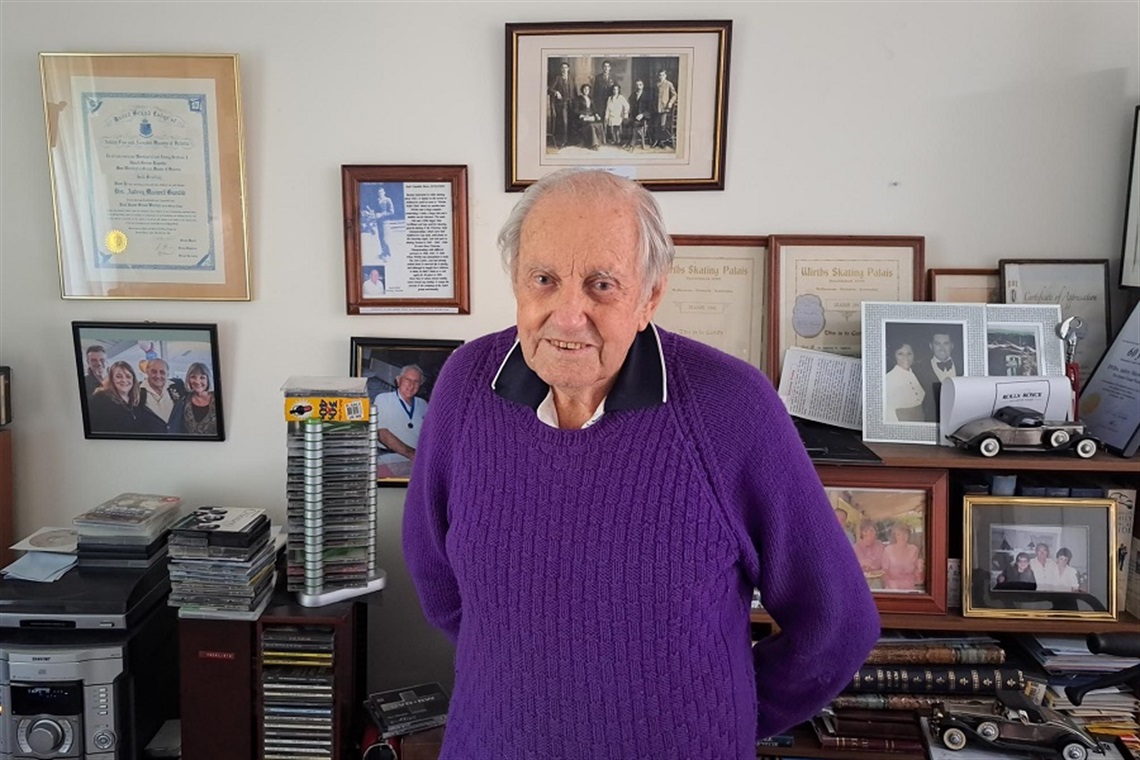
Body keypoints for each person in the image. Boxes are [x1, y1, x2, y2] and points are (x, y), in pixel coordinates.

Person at [402, 168, 879, 759]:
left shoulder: (731, 407)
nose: (568, 314)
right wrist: (530, 684)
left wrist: (725, 714)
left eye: (602, 285)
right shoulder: (466, 385)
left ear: (650, 296)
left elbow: (836, 625)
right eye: (544, 279)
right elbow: (439, 583)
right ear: (517, 280)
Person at [375, 364, 429, 479]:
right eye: (407, 380)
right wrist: (412, 455)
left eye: (416, 382)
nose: (411, 385)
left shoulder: (423, 404)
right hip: (389, 460)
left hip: (417, 463)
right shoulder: (384, 399)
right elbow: (382, 434)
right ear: (398, 380)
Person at [913, 331, 958, 423]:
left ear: (952, 345)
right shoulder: (918, 370)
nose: (942, 348)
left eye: (946, 343)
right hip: (931, 423)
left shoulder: (964, 366)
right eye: (937, 344)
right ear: (931, 346)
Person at [88, 360, 144, 434]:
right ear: (112, 379)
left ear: (133, 379)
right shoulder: (99, 399)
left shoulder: (138, 400)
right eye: (118, 376)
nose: (124, 380)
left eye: (128, 376)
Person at [168, 362, 218, 436]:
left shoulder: (218, 399)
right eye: (193, 377)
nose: (197, 381)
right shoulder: (184, 399)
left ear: (208, 379)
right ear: (188, 379)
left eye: (202, 377)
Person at [883, 343, 925, 423]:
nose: (905, 357)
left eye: (909, 353)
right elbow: (888, 412)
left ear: (914, 355)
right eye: (900, 354)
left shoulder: (918, 374)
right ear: (894, 356)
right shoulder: (888, 379)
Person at [137, 357, 177, 432]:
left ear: (167, 374)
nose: (158, 376)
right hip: (151, 441)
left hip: (175, 441)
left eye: (162, 372)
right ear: (147, 372)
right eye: (154, 372)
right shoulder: (137, 392)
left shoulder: (177, 386)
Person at [881, 523, 922, 591]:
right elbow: (884, 572)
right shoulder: (888, 550)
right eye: (898, 534)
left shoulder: (914, 549)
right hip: (892, 588)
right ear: (894, 536)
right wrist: (892, 586)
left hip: (910, 588)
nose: (902, 537)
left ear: (908, 535)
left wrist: (920, 569)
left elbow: (917, 571)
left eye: (905, 534)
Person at [362, 186, 395, 260]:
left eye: (381, 192)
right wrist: (371, 213)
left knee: (385, 238)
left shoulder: (387, 200)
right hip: (378, 222)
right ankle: (384, 252)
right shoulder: (376, 201)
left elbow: (392, 212)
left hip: (385, 222)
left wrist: (381, 214)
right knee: (380, 238)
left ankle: (388, 254)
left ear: (384, 193)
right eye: (379, 193)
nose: (380, 194)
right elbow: (375, 211)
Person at [547, 61, 574, 149]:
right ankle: (562, 141)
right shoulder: (557, 78)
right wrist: (556, 92)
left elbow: (574, 90)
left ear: (568, 69)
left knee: (570, 122)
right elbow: (550, 89)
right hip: (561, 104)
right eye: (562, 68)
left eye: (565, 68)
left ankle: (569, 140)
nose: (564, 70)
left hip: (570, 103)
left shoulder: (570, 78)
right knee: (563, 122)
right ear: (560, 69)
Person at [853, 519, 885, 588]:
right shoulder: (855, 547)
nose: (869, 533)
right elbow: (851, 565)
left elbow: (883, 565)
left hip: (876, 581)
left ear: (875, 532)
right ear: (861, 532)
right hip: (859, 580)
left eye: (872, 531)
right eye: (865, 531)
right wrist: (862, 563)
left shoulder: (880, 545)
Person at [573, 83, 604, 149]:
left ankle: (599, 142)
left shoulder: (590, 99)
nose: (586, 90)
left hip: (590, 116)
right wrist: (583, 115)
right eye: (585, 89)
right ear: (582, 90)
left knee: (599, 124)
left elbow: (594, 109)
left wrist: (596, 115)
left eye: (588, 89)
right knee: (591, 125)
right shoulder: (578, 98)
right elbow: (576, 110)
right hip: (582, 118)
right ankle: (593, 144)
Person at [652, 68, 678, 147]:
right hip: (656, 108)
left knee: (662, 125)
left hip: (665, 108)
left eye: (663, 75)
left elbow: (674, 95)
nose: (661, 77)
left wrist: (670, 103)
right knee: (656, 124)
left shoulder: (669, 84)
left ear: (665, 76)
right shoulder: (656, 84)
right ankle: (656, 140)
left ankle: (662, 142)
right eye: (660, 75)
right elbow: (654, 96)